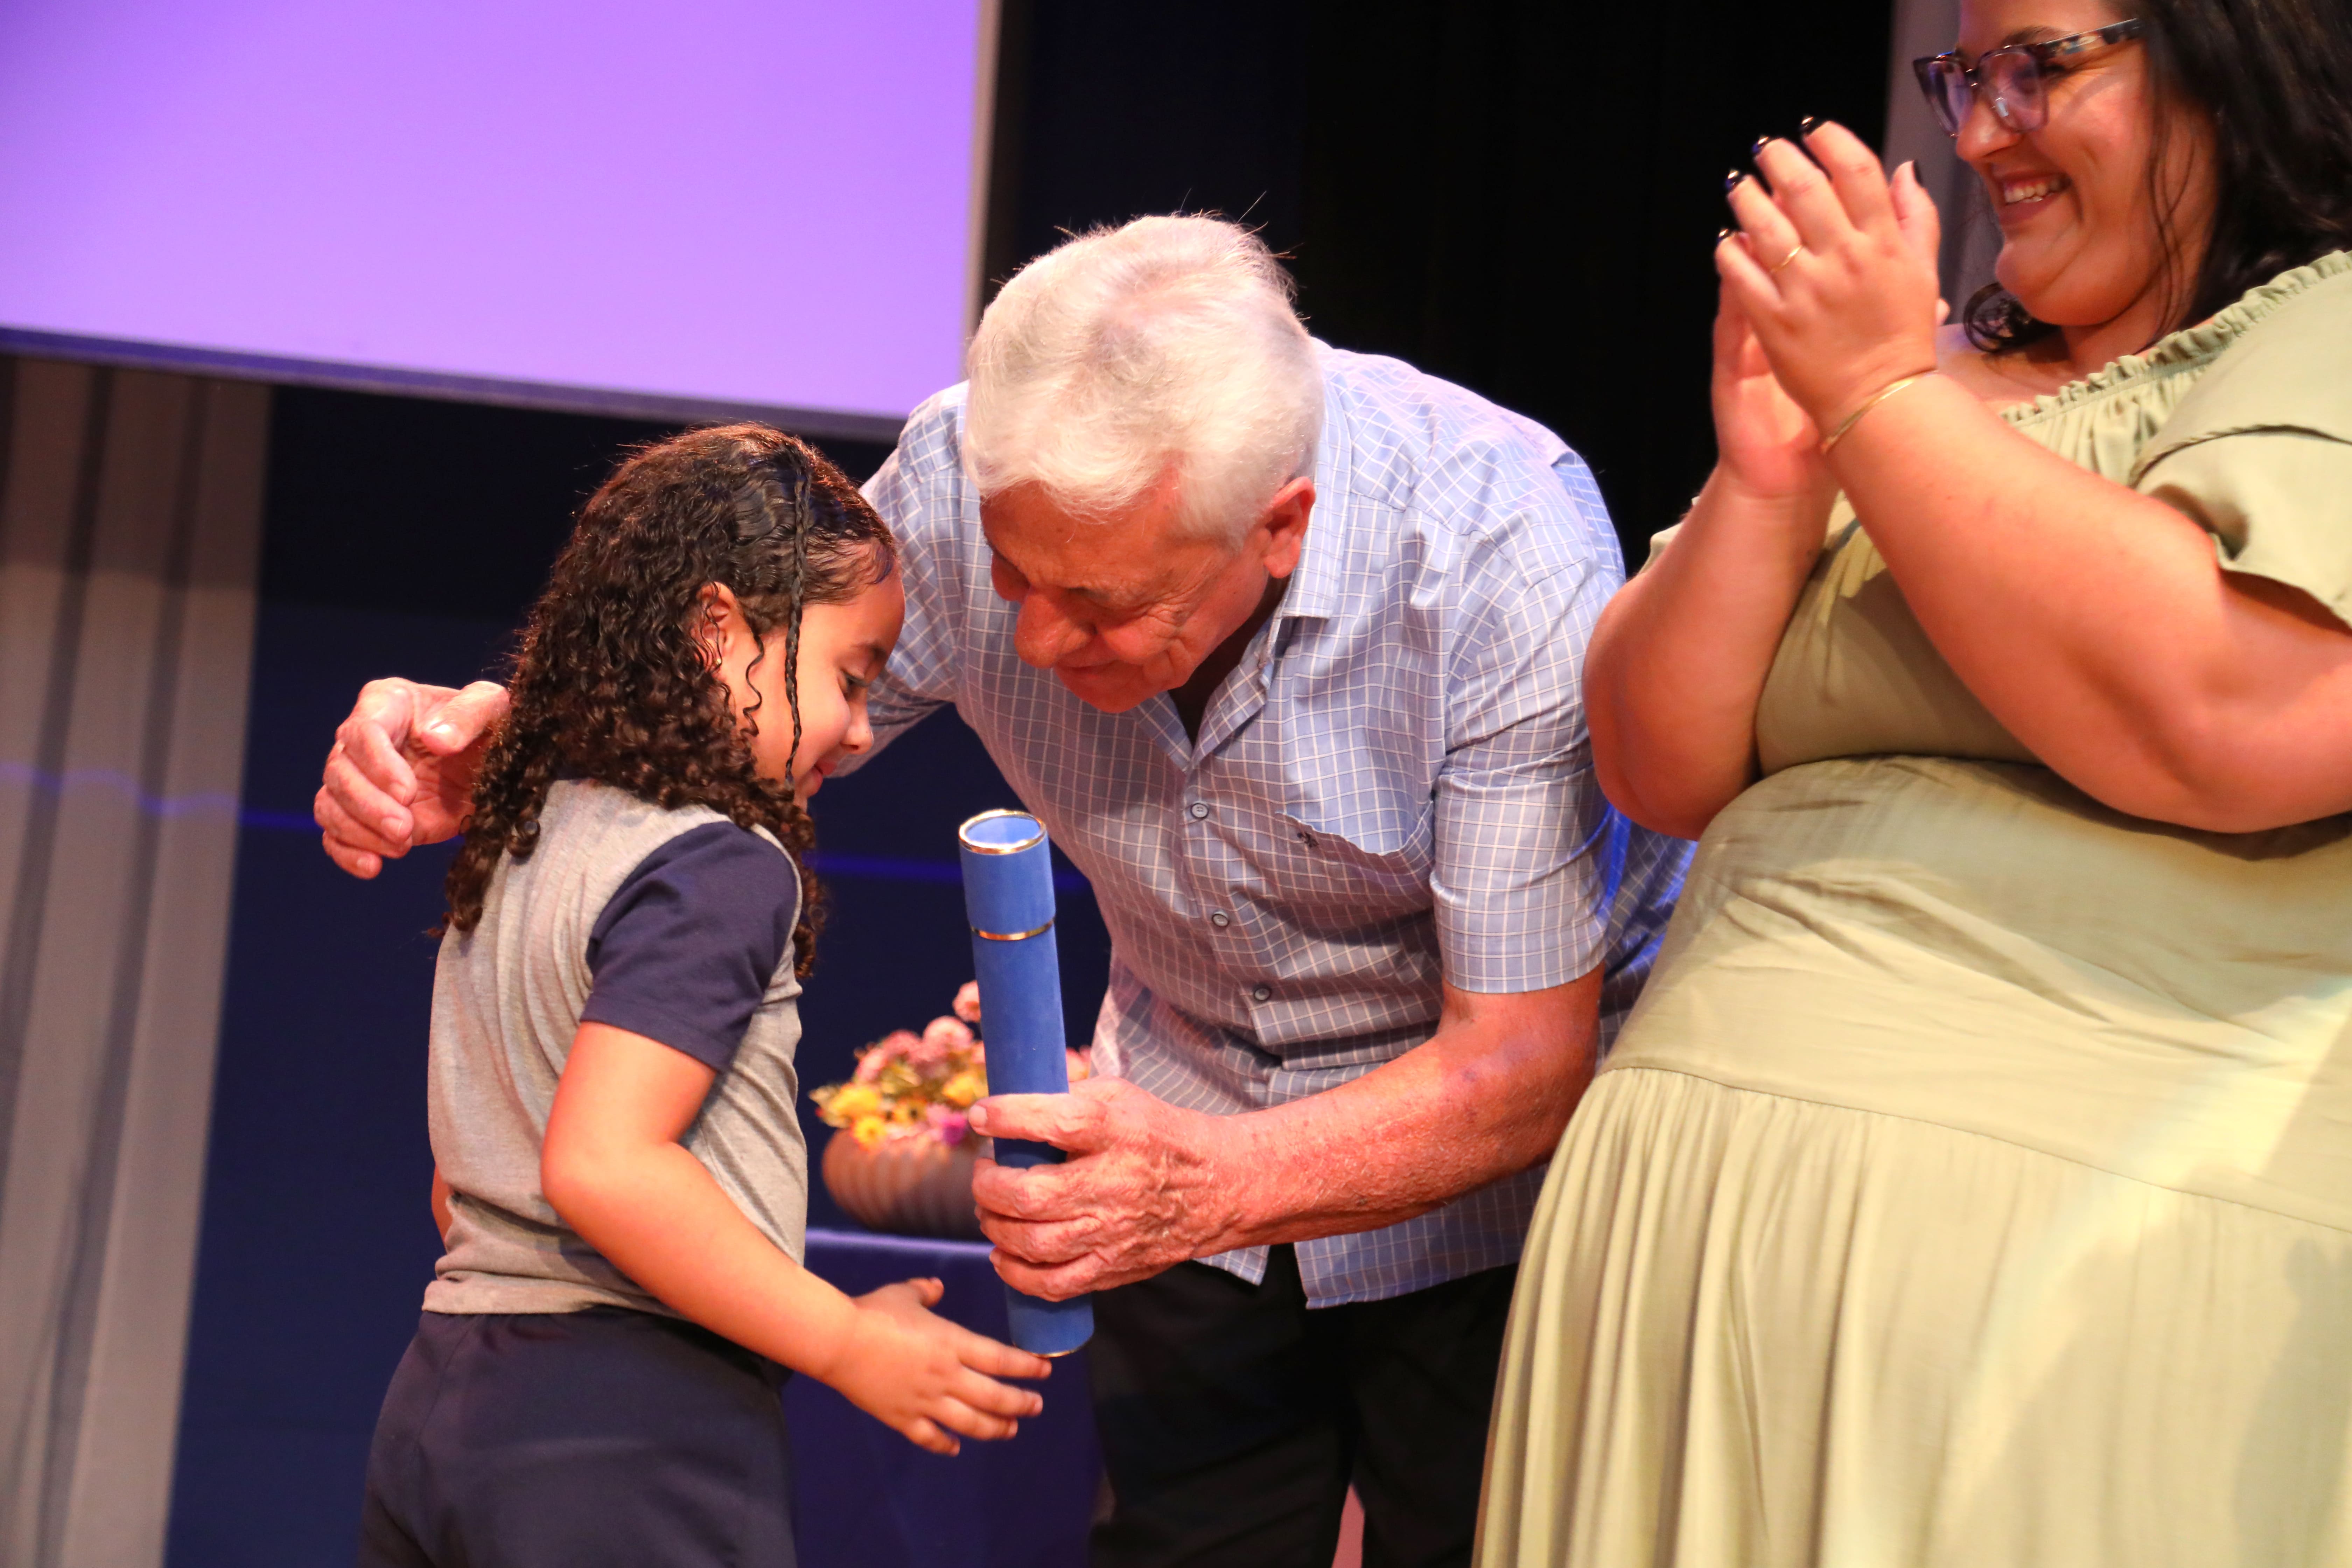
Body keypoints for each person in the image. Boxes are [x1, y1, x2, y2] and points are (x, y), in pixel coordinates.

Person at [318, 216, 1688, 1568]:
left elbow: (1520, 1059)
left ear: (1278, 529)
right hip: (1178, 1119)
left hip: (1480, 1188)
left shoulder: (1496, 540)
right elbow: (729, 701)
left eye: (1099, 603)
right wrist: (502, 746)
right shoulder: (965, 467)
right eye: (1010, 574)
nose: (1029, 639)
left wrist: (1206, 1183)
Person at [1479, 0, 2352, 1560]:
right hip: (1689, 1252)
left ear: (2235, 55)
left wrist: (1883, 404)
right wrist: (1769, 473)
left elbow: (2231, 712)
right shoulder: (1921, 377)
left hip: (2068, 1318)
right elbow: (1655, 763)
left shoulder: (2326, 329)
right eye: (1966, 76)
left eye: (2042, 66)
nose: (1982, 132)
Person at [358, 425, 1051, 1568]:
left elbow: (465, 1184)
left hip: (442, 1406)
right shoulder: (720, 861)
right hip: (627, 1437)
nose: (862, 731)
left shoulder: (528, 827)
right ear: (719, 630)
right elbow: (602, 1165)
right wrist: (846, 1341)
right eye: (850, 679)